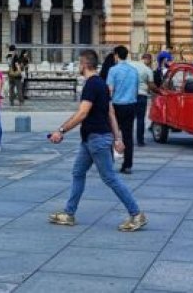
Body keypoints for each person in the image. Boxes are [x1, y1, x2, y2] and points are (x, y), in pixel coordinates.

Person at [48, 49, 147, 232]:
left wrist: (61, 130)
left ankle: (136, 214)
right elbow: (110, 112)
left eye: (79, 63)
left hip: (97, 139)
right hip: (90, 139)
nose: (78, 66)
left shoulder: (92, 85)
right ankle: (69, 213)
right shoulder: (101, 84)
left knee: (110, 178)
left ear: (84, 64)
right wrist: (117, 137)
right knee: (78, 172)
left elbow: (83, 112)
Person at [106, 45, 138, 174]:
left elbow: (110, 90)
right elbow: (135, 89)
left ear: (116, 55)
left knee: (110, 134)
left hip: (117, 105)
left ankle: (108, 163)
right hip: (130, 105)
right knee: (128, 136)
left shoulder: (113, 70)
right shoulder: (133, 70)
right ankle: (127, 165)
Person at [130, 53, 153, 147]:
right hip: (142, 95)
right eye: (150, 60)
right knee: (140, 119)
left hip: (131, 95)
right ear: (148, 59)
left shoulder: (133, 65)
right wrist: (158, 91)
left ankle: (127, 139)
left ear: (142, 58)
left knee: (130, 118)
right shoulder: (148, 70)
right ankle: (140, 141)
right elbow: (151, 85)